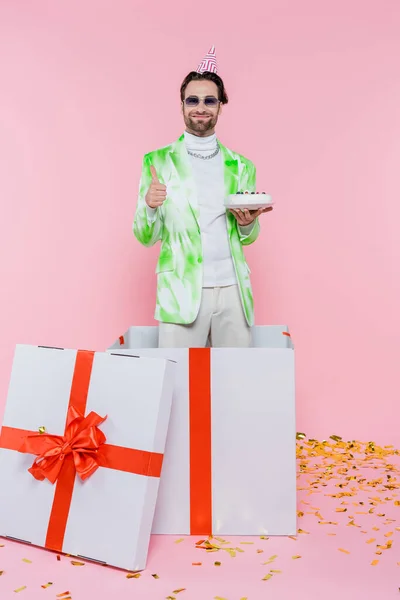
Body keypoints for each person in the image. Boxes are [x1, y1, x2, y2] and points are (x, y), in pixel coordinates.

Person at [133, 46, 272, 348]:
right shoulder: (156, 161)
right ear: (182, 105)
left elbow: (248, 237)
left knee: (234, 377)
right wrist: (150, 207)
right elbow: (145, 237)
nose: (200, 107)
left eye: (210, 100)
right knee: (178, 379)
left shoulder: (241, 165)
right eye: (192, 100)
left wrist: (248, 224)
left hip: (233, 289)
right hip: (180, 288)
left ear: (221, 106)